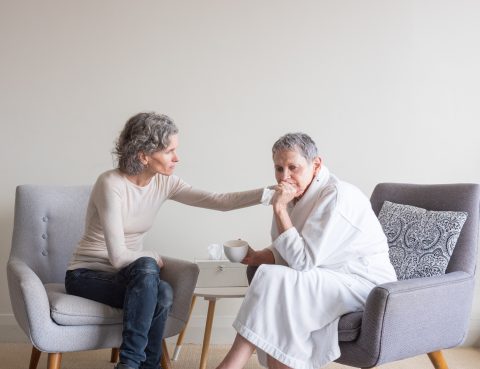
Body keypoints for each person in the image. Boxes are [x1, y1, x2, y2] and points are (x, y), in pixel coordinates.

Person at [65, 112, 266, 369]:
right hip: (86, 275)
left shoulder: (165, 183)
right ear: (143, 155)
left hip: (133, 276)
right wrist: (150, 256)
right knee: (147, 267)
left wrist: (269, 194)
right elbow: (118, 257)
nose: (177, 157)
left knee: (163, 292)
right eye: (169, 151)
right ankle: (131, 364)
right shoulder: (110, 183)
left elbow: (220, 201)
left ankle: (143, 365)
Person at [216, 133, 397, 369]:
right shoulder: (293, 195)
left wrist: (279, 209)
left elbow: (302, 261)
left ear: (316, 164)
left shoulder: (335, 195)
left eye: (293, 167)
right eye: (279, 168)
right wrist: (258, 256)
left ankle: (231, 364)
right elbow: (290, 248)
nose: (285, 177)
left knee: (273, 278)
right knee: (272, 278)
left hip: (364, 285)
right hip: (323, 275)